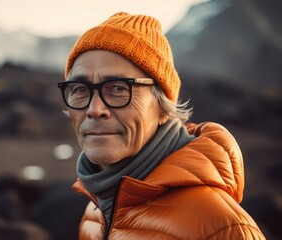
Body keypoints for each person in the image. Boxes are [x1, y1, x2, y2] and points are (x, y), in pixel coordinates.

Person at [58, 12, 266, 240]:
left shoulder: (220, 227)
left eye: (118, 88)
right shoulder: (95, 210)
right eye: (80, 89)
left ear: (162, 107)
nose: (95, 109)